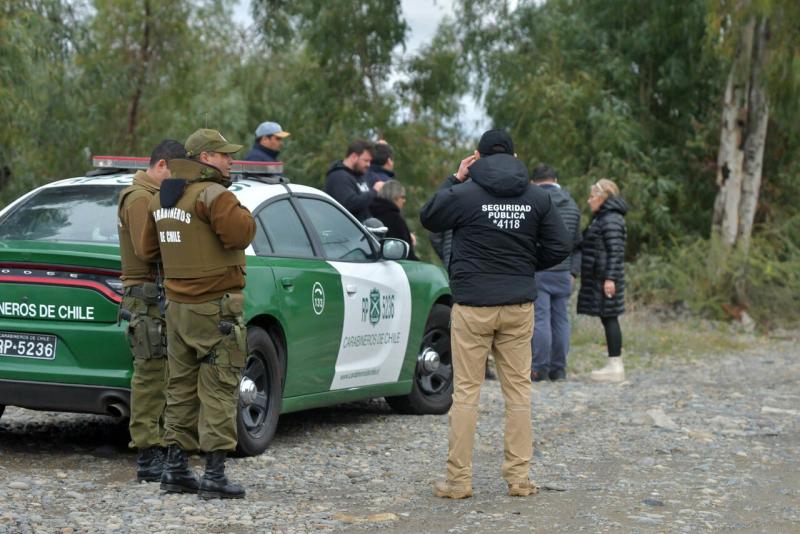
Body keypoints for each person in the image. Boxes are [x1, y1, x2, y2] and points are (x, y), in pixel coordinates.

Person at [420, 129, 571, 499]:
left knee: (467, 394)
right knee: (518, 393)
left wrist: (455, 177)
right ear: (516, 157)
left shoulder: (464, 193)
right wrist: (526, 264)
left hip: (473, 306)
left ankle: (459, 482)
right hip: (518, 305)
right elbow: (561, 244)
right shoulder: (536, 197)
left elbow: (429, 217)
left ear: (477, 157)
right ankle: (519, 480)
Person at [142, 128, 256, 499]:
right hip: (214, 308)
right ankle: (215, 474)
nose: (231, 160)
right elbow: (241, 235)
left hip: (176, 309)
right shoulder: (214, 195)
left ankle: (175, 469)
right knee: (220, 387)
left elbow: (147, 249)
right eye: (224, 155)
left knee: (180, 389)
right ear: (205, 158)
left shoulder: (165, 196)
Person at [117, 139, 187, 482]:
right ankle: (148, 453)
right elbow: (147, 250)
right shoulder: (140, 199)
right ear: (161, 166)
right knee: (149, 376)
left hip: (157, 297)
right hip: (145, 298)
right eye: (174, 174)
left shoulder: (152, 197)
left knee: (163, 374)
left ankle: (158, 444)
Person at [529, 165, 582, 382]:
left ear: (534, 182)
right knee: (561, 320)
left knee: (540, 319)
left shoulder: (534, 201)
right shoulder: (572, 204)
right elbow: (578, 243)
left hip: (540, 268)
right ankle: (559, 369)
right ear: (555, 179)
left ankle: (539, 367)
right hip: (564, 271)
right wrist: (574, 272)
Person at [575, 178, 628, 382]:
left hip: (606, 278)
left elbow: (616, 251)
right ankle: (613, 363)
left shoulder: (611, 219)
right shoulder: (603, 218)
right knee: (607, 317)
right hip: (600, 277)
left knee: (610, 316)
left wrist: (610, 278)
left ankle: (616, 365)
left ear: (602, 197)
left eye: (592, 196)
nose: (589, 201)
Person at [324, 139, 384, 221]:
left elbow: (366, 204)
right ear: (354, 157)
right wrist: (374, 191)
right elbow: (350, 204)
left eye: (370, 161)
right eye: (366, 160)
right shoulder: (338, 177)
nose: (368, 165)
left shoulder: (360, 175)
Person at [369, 179, 418, 260]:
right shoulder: (395, 219)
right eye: (402, 197)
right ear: (394, 197)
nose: (404, 201)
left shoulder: (371, 213)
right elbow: (406, 253)